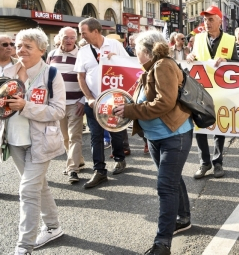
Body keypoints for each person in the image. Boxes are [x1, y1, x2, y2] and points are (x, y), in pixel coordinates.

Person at [113, 31, 193, 255]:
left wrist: (130, 110)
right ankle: (183, 218)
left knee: (165, 186)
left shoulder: (162, 66)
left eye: (135, 47)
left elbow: (165, 103)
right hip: (158, 136)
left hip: (174, 135)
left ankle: (162, 243)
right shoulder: (151, 68)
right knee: (172, 180)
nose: (133, 51)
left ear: (146, 51)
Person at [5, 28, 67, 254]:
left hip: (40, 142)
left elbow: (58, 111)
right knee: (38, 186)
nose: (20, 50)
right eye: (18, 45)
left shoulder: (51, 74)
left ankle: (24, 246)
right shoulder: (8, 71)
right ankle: (53, 227)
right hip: (14, 140)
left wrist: (26, 107)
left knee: (28, 191)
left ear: (42, 50)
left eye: (27, 46)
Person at [74, 18, 130, 188]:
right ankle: (99, 171)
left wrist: (117, 60)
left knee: (116, 133)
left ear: (95, 31)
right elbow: (81, 77)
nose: (81, 36)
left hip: (114, 101)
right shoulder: (83, 51)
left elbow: (131, 67)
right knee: (95, 136)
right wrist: (89, 98)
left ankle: (120, 158)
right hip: (93, 102)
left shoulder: (115, 45)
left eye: (83, 32)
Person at [187, 6, 238, 179]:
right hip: (200, 91)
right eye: (205, 20)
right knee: (199, 126)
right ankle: (204, 162)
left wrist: (228, 60)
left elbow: (238, 66)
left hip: (221, 92)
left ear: (219, 20)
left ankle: (217, 162)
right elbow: (193, 57)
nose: (206, 23)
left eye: (210, 19)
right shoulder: (199, 38)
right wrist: (190, 57)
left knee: (219, 127)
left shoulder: (230, 40)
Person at [46, 27, 86, 184]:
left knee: (74, 136)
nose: (69, 40)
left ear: (75, 38)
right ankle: (79, 160)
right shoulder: (51, 54)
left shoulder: (81, 55)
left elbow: (87, 79)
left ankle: (72, 169)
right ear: (59, 38)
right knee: (64, 137)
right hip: (58, 104)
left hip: (75, 103)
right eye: (66, 37)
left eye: (72, 37)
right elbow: (46, 77)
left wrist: (83, 100)